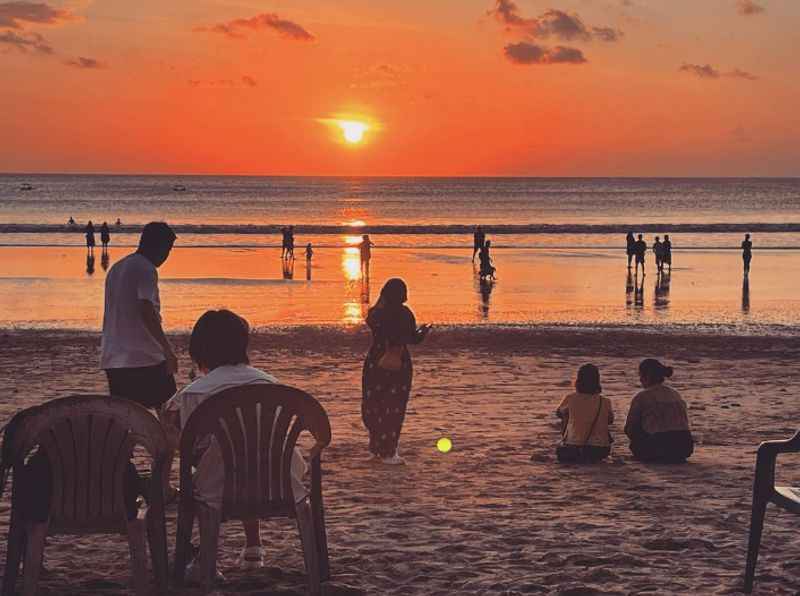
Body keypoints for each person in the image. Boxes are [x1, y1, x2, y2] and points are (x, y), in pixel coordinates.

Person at [162, 309, 310, 574]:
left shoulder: (196, 392)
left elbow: (184, 443)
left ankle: (202, 560)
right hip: (280, 482)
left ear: (200, 351)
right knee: (246, 453)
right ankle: (254, 547)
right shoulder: (271, 384)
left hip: (221, 489)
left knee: (211, 465)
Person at [362, 279, 431, 465]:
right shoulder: (405, 314)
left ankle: (376, 447)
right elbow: (410, 338)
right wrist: (422, 333)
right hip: (399, 362)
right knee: (394, 407)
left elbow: (371, 321)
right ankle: (389, 450)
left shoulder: (376, 313)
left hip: (375, 360)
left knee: (374, 403)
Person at [624, 359, 694, 463]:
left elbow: (630, 428)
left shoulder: (642, 396)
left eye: (640, 375)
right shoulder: (675, 393)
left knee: (636, 433)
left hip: (658, 447)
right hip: (684, 446)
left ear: (646, 377)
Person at [555, 364, 613, 463]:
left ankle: (568, 439)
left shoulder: (570, 398)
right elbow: (610, 420)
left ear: (578, 380)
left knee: (565, 413)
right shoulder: (605, 401)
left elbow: (558, 413)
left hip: (573, 447)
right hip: (601, 449)